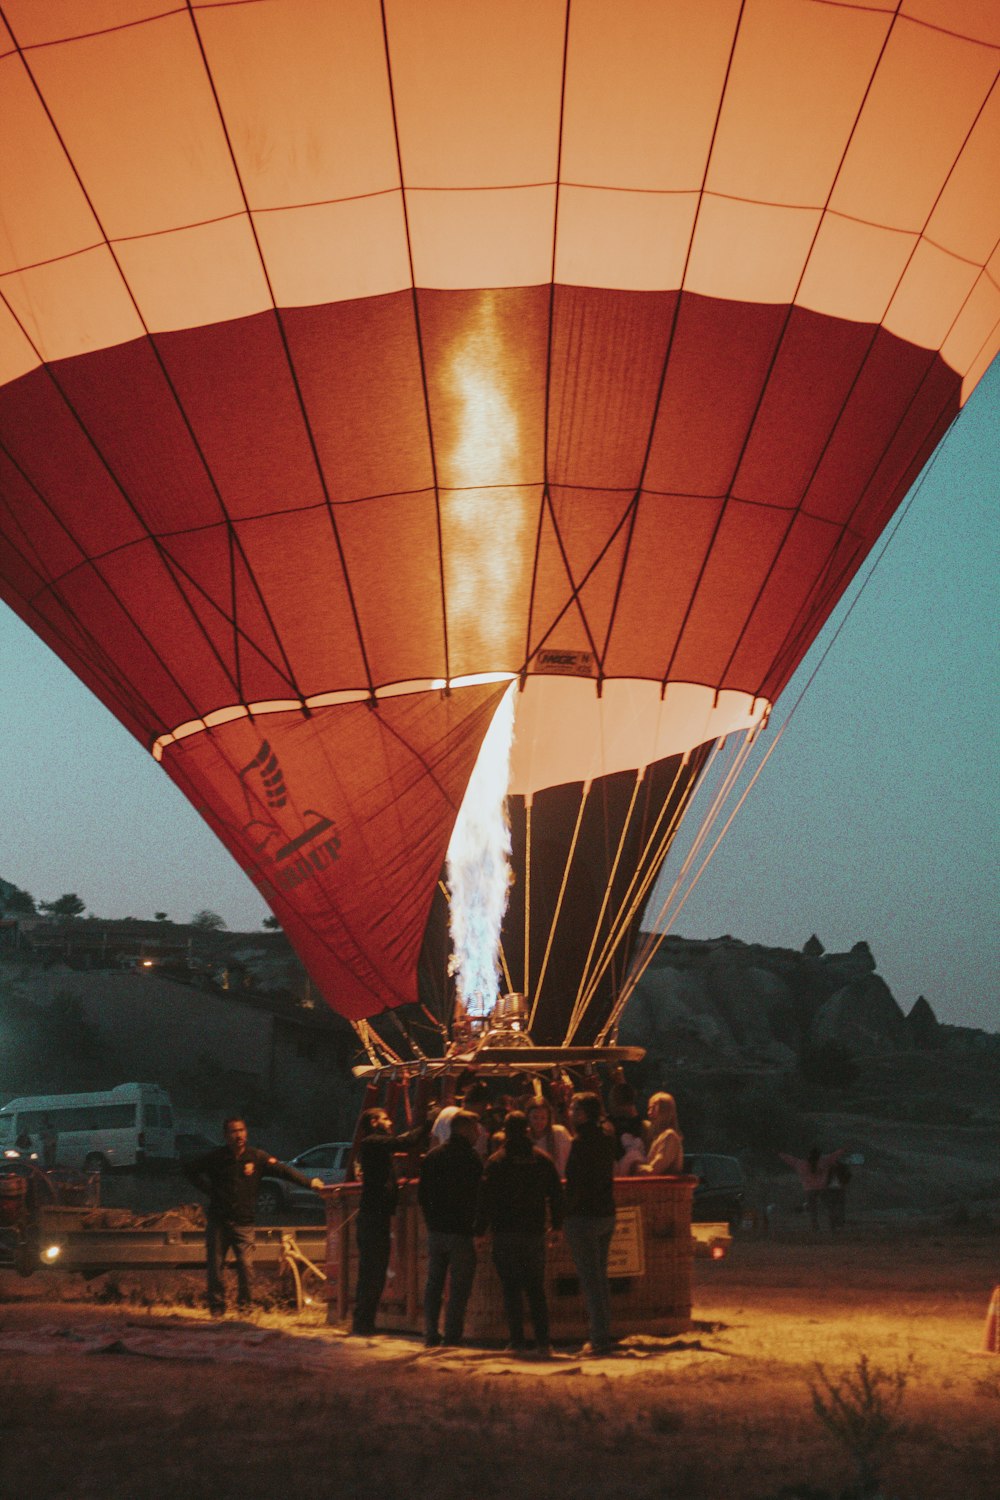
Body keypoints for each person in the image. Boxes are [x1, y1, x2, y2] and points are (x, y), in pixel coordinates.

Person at [184, 1117, 324, 1317]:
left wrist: (309, 1183)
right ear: (225, 1136)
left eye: (241, 1130)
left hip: (244, 1222)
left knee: (246, 1267)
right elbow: (189, 1170)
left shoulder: (256, 1157)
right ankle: (217, 1309)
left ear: (246, 1132)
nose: (238, 1135)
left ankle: (245, 1309)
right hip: (219, 1222)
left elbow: (283, 1171)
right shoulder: (216, 1158)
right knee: (215, 1267)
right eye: (233, 1131)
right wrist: (208, 1190)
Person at [475, 1110, 563, 1356]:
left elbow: (486, 1201)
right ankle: (544, 1342)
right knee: (536, 1289)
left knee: (511, 1289)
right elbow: (556, 1195)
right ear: (527, 1130)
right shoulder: (542, 1159)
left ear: (504, 1131)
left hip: (505, 1233)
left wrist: (480, 1231)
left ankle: (517, 1341)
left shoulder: (496, 1161)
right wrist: (556, 1226)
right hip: (534, 1232)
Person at [352, 1107, 429, 1336]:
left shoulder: (375, 1146)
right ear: (374, 1122)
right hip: (373, 1218)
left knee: (374, 1272)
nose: (390, 1122)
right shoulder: (373, 1142)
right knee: (372, 1273)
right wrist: (428, 1122)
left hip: (376, 1217)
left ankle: (365, 1322)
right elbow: (406, 1142)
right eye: (386, 1119)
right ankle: (363, 1323)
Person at [418, 1109, 483, 1346]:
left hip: (436, 1231)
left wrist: (431, 1222)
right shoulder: (473, 1160)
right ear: (465, 1130)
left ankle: (430, 1332)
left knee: (433, 1283)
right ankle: (452, 1335)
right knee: (459, 1288)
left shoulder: (433, 1157)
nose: (479, 1134)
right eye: (476, 1129)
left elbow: (423, 1195)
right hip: (462, 1232)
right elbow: (479, 1197)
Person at [563, 1092, 618, 1355]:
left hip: (583, 1216)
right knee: (600, 1277)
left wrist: (565, 1212)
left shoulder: (581, 1142)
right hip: (606, 1212)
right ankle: (604, 1332)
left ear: (583, 1113)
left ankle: (599, 1338)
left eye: (574, 1108)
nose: (570, 1113)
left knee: (590, 1279)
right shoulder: (606, 1137)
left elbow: (575, 1182)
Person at [778, 1145, 846, 1231]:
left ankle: (815, 1227)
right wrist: (844, 1148)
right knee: (829, 1208)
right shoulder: (824, 1161)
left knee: (813, 1210)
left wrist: (780, 1153)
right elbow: (835, 1155)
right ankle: (833, 1227)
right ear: (819, 1155)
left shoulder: (801, 1164)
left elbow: (790, 1159)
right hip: (822, 1188)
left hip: (809, 1190)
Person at [431, 1080, 490, 1156]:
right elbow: (480, 1159)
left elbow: (434, 1143)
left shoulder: (446, 1113)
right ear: (482, 1104)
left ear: (463, 1101)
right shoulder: (478, 1129)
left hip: (441, 1164)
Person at [638, 1091, 684, 1174]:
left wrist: (633, 1167)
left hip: (666, 1187)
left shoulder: (669, 1136)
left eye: (654, 1108)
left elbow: (654, 1170)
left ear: (665, 1111)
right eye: (649, 1108)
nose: (649, 1113)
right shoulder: (658, 1137)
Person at [526, 1097, 572, 1176]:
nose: (539, 1122)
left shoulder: (559, 1133)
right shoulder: (526, 1137)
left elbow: (571, 1159)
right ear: (528, 1117)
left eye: (543, 1118)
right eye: (535, 1117)